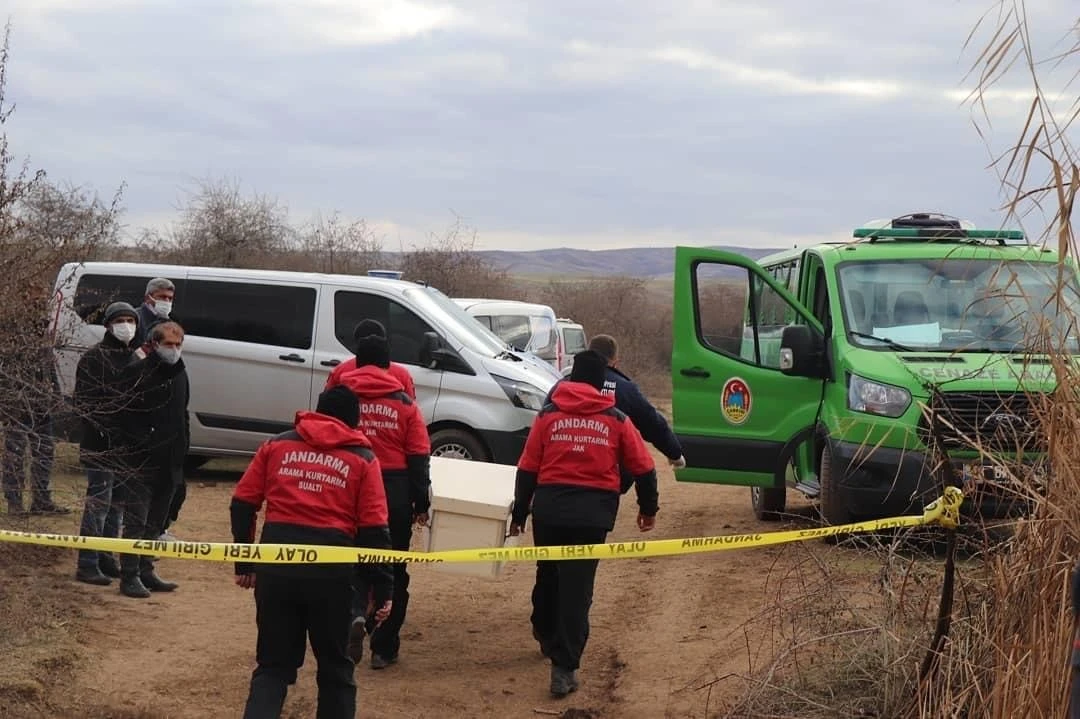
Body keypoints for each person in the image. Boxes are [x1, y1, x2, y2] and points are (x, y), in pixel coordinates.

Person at [231, 386, 395, 719]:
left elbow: (243, 503)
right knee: (336, 670)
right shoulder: (363, 459)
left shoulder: (277, 445)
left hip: (276, 565)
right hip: (332, 572)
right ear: (354, 421)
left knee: (272, 667)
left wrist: (246, 561)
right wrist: (383, 588)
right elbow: (374, 530)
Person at [511, 349, 659, 698]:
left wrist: (520, 512)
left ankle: (545, 632)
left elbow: (528, 468)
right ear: (600, 384)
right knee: (577, 589)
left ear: (572, 379)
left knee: (548, 572)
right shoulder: (617, 419)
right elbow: (645, 468)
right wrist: (648, 508)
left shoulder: (547, 416)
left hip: (549, 510)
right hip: (592, 516)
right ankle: (563, 669)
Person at [336, 327, 431, 670]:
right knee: (394, 569)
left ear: (357, 363)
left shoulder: (341, 395)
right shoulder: (405, 404)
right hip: (393, 490)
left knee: (349, 564)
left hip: (347, 486)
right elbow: (419, 454)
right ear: (389, 365)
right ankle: (384, 646)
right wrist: (421, 503)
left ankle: (353, 616)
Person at [544, 334, 685, 486]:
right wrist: (674, 453)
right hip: (607, 476)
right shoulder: (626, 389)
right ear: (615, 362)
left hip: (560, 469)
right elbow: (652, 423)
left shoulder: (562, 385)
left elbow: (541, 424)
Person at [111, 322, 188, 598]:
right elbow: (124, 418)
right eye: (169, 344)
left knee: (157, 522)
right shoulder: (136, 372)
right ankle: (128, 575)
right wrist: (144, 443)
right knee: (136, 521)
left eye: (178, 344)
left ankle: (146, 569)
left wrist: (183, 451)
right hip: (140, 461)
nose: (174, 350)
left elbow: (183, 413)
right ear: (155, 344)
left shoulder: (180, 373)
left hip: (171, 462)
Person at [73, 302, 141, 586]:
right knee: (99, 503)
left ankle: (105, 556)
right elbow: (85, 404)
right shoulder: (94, 359)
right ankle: (87, 562)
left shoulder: (133, 358)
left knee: (117, 505)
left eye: (130, 320)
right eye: (120, 320)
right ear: (108, 325)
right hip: (100, 444)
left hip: (126, 446)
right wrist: (107, 431)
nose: (126, 325)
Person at [2, 319, 70, 515]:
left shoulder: (43, 345)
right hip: (18, 410)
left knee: (45, 454)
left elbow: (50, 372)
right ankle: (14, 502)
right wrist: (9, 407)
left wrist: (56, 397)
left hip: (42, 409)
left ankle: (41, 500)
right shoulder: (11, 345)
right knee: (15, 456)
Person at [325, 319, 416, 400]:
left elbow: (327, 406)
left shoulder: (340, 372)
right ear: (384, 343)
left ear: (356, 344)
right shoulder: (402, 374)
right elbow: (411, 407)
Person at [136, 277, 175, 346]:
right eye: (162, 297)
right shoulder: (135, 318)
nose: (167, 301)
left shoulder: (169, 321)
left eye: (170, 298)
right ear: (148, 298)